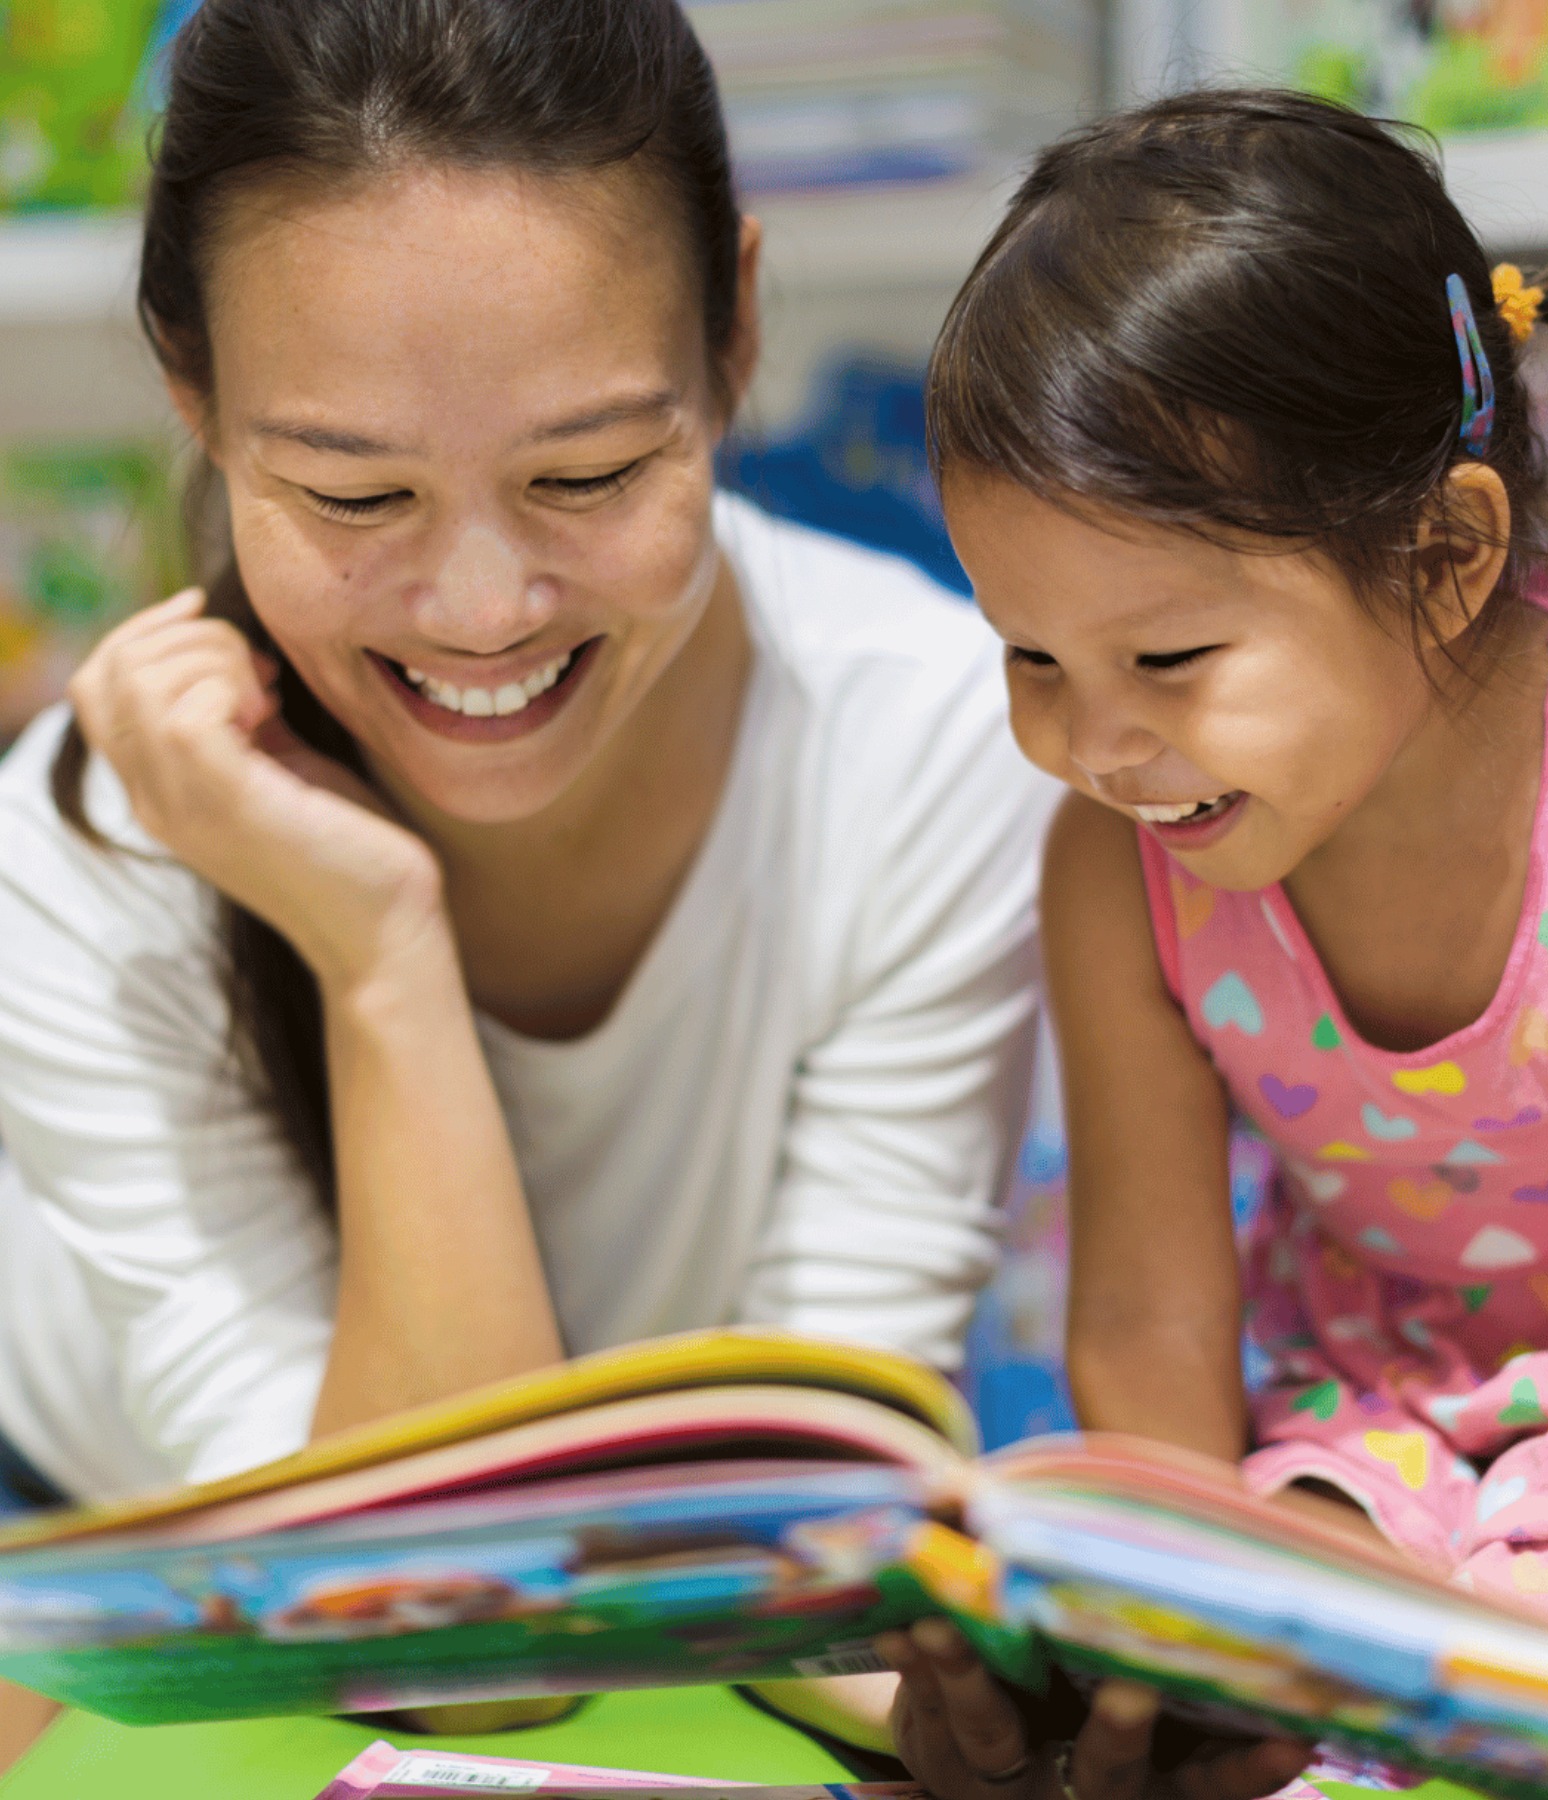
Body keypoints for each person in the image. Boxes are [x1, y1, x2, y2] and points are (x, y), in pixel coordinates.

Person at [0, 0, 1053, 1553]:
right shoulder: (90, 844)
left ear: (735, 327)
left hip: (669, 1570)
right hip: (111, 1536)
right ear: (194, 392)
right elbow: (418, 1613)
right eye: (355, 494)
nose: (483, 611)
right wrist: (378, 957)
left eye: (590, 475)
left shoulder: (932, 744)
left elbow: (816, 1509)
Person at [883, 86, 1548, 1800]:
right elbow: (1154, 1324)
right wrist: (1162, 1638)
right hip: (1367, 1436)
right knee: (1201, 1679)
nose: (1096, 743)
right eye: (1030, 659)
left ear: (1446, 555)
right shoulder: (1123, 868)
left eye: (1167, 663)